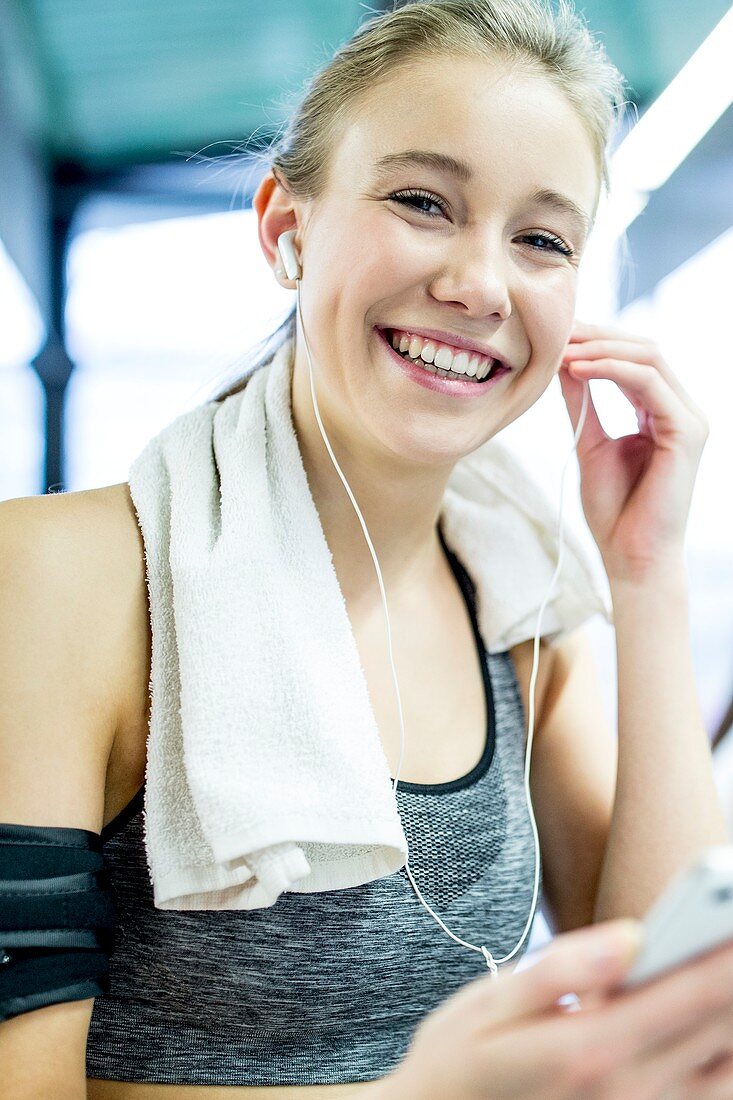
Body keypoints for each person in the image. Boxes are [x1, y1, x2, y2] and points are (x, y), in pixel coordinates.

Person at [1, 0, 732, 1097]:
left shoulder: (524, 609)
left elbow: (668, 1014)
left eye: (541, 238)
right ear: (284, 230)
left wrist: (645, 571)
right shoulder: (61, 579)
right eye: (422, 201)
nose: (480, 284)